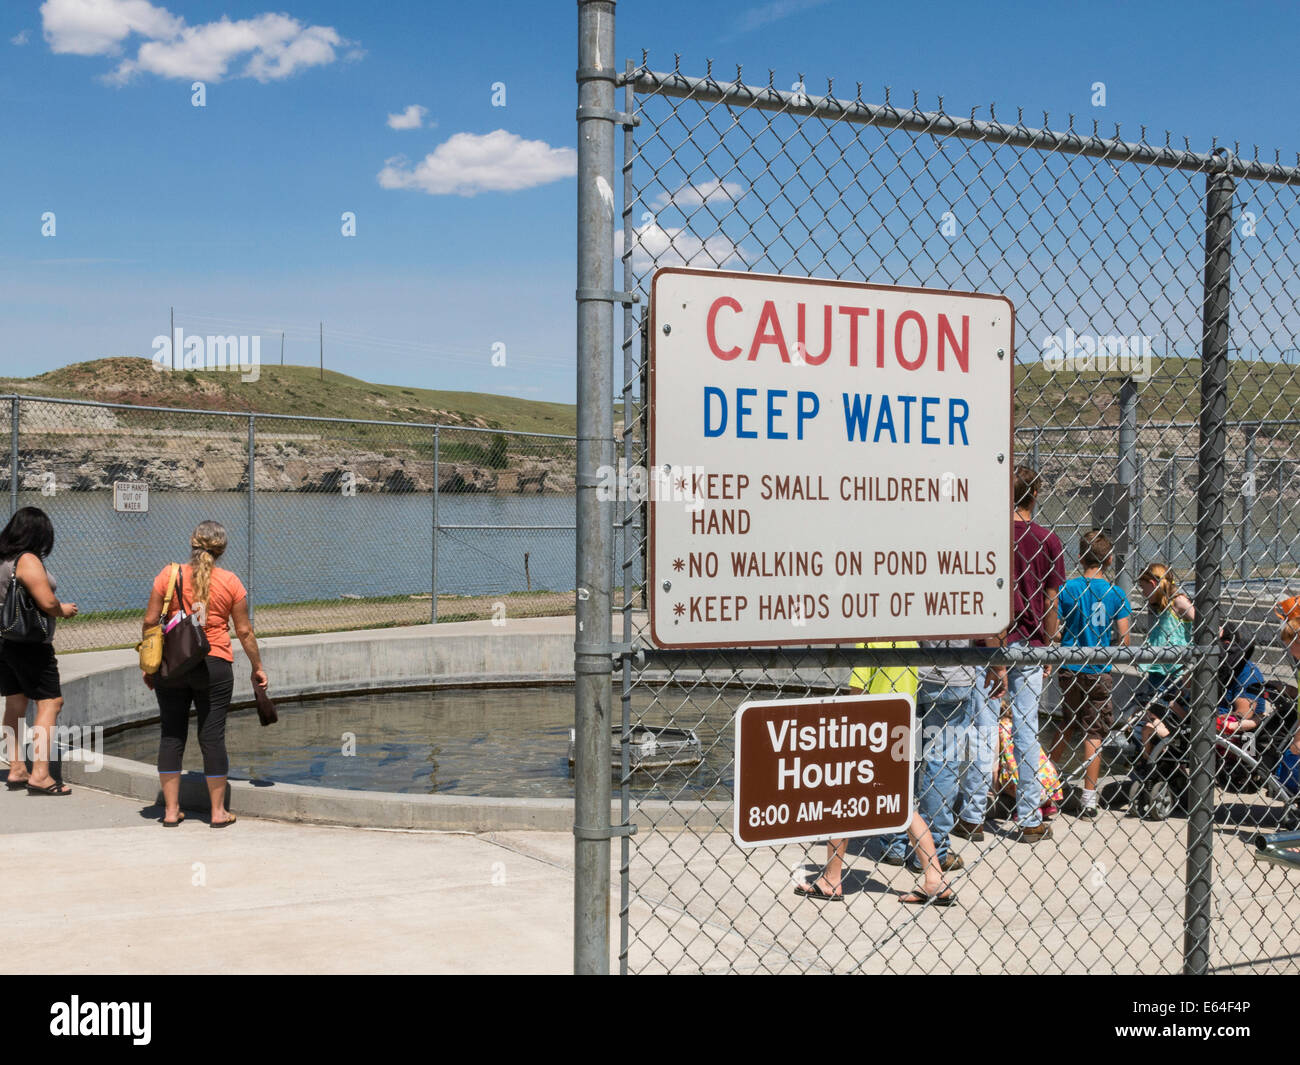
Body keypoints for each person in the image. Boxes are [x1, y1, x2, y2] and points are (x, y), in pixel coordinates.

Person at [796, 641, 955, 905]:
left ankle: (831, 879)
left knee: (842, 800)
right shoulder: (911, 641)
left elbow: (857, 692)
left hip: (871, 729)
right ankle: (935, 880)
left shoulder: (869, 640)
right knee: (903, 806)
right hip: (901, 730)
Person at [958, 466, 1063, 843]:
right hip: (1033, 642)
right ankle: (1030, 816)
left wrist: (996, 654)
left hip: (990, 643)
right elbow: (1051, 600)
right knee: (1026, 730)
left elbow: (989, 596)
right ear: (1035, 495)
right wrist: (1049, 644)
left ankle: (972, 815)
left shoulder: (991, 536)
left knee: (984, 731)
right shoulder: (1048, 540)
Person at [141, 521, 267, 827]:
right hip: (215, 664)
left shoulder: (168, 575)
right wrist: (257, 667)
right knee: (212, 736)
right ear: (222, 550)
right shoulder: (231, 582)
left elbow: (149, 622)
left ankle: (171, 812)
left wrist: (149, 665)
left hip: (172, 665)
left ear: (191, 542)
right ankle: (217, 812)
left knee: (171, 733)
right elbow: (245, 632)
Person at [1051, 530, 1131, 819]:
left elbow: (1053, 626)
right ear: (1109, 559)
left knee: (1068, 721)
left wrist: (1064, 635)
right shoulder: (1115, 593)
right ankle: (1088, 797)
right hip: (1099, 668)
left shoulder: (1068, 589)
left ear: (1080, 556)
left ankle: (1045, 781)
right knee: (1094, 730)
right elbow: (1124, 638)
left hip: (1070, 666)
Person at [0, 507, 77, 795]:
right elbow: (46, 601)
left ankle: (17, 768)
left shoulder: (2, 557)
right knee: (50, 703)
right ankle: (41, 775)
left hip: (4, 641)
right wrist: (63, 610)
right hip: (29, 644)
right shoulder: (27, 559)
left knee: (15, 704)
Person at [1130, 564, 1194, 765]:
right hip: (1158, 671)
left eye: (1143, 587)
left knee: (1158, 715)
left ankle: (1154, 756)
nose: (1142, 592)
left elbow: (1205, 625)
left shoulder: (1179, 603)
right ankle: (1154, 756)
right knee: (1150, 713)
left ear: (1153, 583)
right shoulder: (1160, 606)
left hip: (1174, 673)